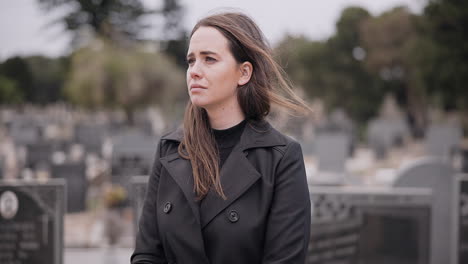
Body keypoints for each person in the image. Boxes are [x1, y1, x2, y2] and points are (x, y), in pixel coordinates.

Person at [131, 11, 311, 264]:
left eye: (209, 59)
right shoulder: (170, 150)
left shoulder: (280, 157)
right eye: (191, 61)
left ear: (244, 73)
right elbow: (147, 254)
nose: (194, 71)